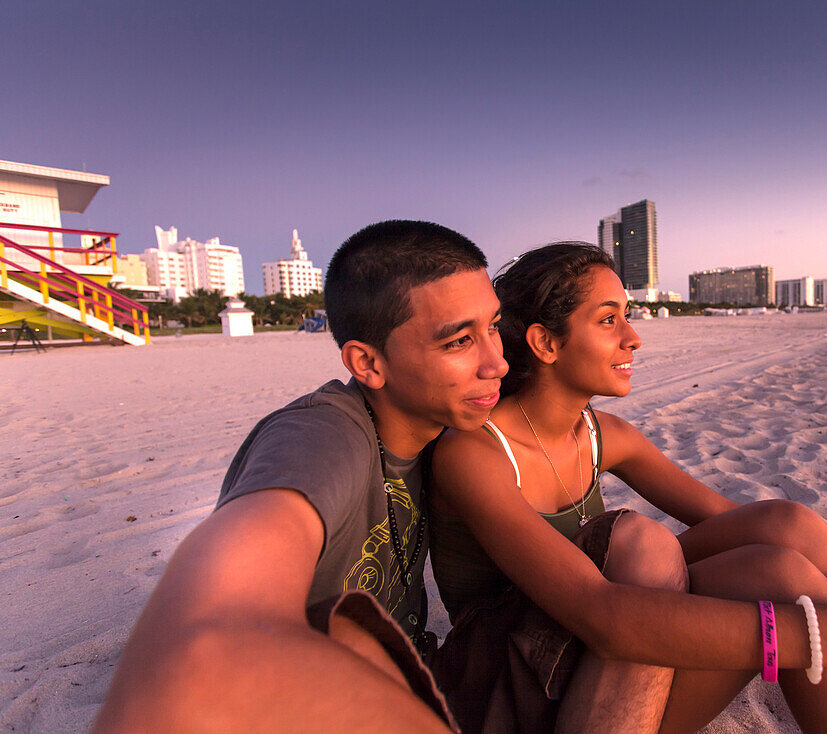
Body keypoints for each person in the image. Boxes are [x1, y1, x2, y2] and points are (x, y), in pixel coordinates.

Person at [429, 243, 827, 734]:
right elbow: (600, 614)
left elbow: (741, 521)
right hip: (519, 688)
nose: (633, 337)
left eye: (628, 316)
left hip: (608, 657)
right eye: (608, 319)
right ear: (546, 342)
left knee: (780, 537)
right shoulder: (473, 453)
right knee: (649, 543)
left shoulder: (602, 436)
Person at [93, 220, 513, 733]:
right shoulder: (322, 437)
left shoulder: (448, 429)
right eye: (459, 342)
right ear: (368, 363)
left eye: (494, 326)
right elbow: (202, 643)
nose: (497, 363)